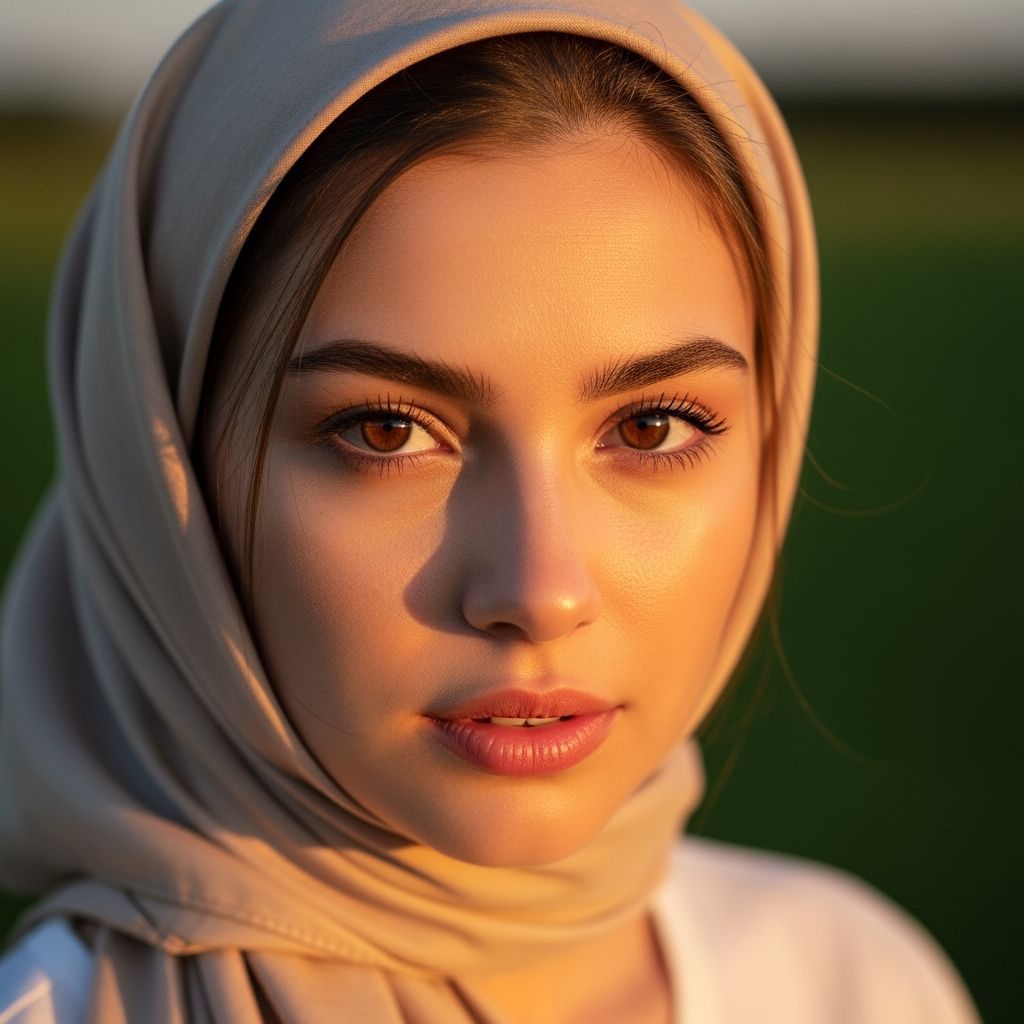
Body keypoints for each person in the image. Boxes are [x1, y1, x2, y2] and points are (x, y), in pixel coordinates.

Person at [0, 1, 980, 1021]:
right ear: (162, 478)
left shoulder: (850, 981)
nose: (539, 590)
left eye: (650, 428)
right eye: (385, 432)